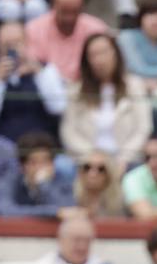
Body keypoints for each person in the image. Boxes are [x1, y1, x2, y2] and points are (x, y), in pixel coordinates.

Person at [61, 32, 151, 165]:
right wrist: (91, 157)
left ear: (116, 54)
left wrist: (123, 159)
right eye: (93, 55)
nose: (100, 60)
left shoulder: (135, 86)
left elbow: (143, 129)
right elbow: (69, 131)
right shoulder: (76, 91)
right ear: (87, 61)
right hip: (87, 162)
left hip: (127, 161)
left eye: (104, 52)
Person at [0, 18, 68, 140]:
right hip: (3, 146)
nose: (13, 49)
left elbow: (58, 108)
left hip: (41, 145)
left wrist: (39, 74)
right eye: (7, 45)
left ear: (27, 42)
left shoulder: (46, 70)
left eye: (17, 43)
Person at [24, 0, 107, 82]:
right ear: (53, 6)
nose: (69, 18)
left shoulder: (96, 29)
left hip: (85, 89)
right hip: (47, 90)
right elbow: (33, 65)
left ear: (82, 8)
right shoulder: (34, 29)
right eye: (64, 12)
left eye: (74, 11)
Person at [0, 129, 73, 217]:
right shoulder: (9, 181)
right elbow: (6, 210)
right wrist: (52, 212)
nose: (40, 167)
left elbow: (68, 210)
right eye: (34, 162)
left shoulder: (62, 180)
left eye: (45, 161)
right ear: (22, 166)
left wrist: (44, 185)